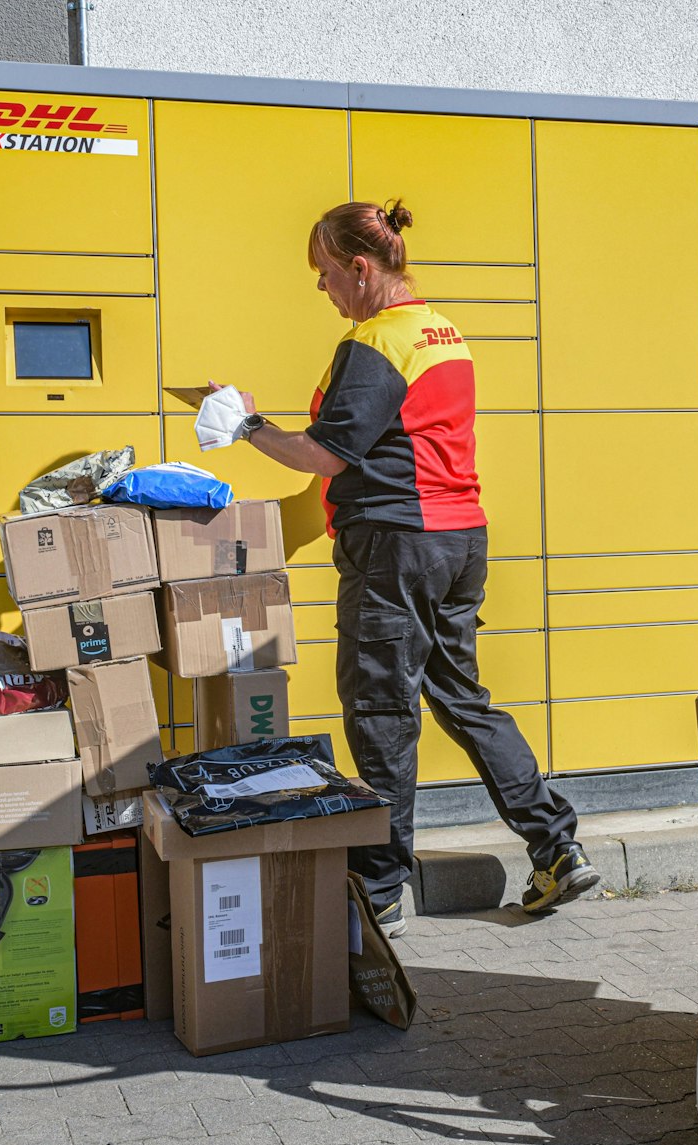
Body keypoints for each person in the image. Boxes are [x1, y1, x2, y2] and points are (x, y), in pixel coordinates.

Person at [200, 199, 598, 937]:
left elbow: (326, 455)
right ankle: (556, 846)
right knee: (463, 698)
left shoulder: (375, 341)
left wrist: (247, 426)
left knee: (381, 712)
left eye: (325, 273)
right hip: (459, 540)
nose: (322, 289)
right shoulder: (444, 333)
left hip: (396, 547)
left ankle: (381, 893)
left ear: (361, 269)